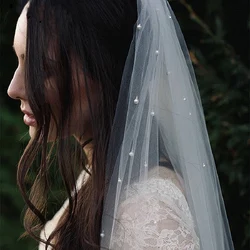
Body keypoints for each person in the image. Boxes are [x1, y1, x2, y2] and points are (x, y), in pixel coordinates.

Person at [7, 0, 234, 249]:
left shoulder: (149, 216)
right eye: (19, 60)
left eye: (42, 69)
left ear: (105, 68)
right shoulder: (99, 174)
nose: (14, 89)